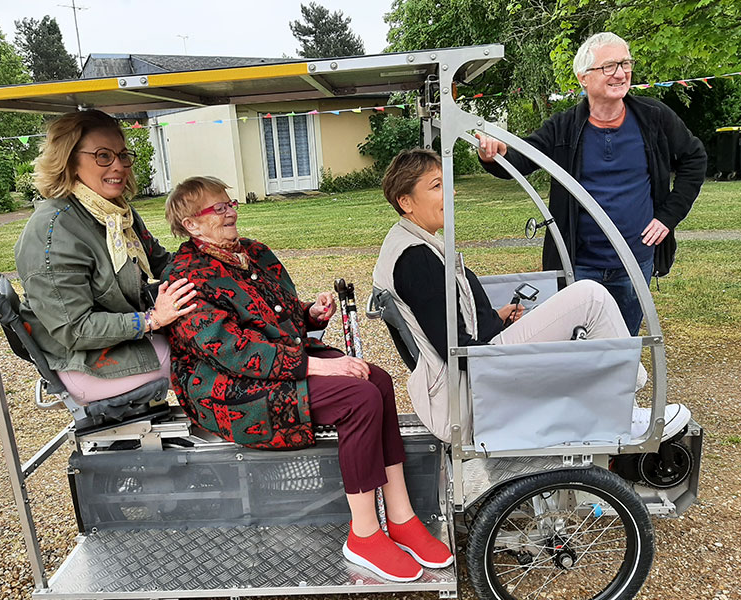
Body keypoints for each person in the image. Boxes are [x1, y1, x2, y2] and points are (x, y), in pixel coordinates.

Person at [162, 175, 453, 583]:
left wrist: (308, 315)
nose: (230, 212)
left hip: (277, 366)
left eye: (231, 203)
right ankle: (365, 534)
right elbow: (232, 350)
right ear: (192, 224)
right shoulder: (187, 277)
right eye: (218, 208)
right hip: (229, 391)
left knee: (379, 381)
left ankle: (402, 517)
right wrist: (316, 365)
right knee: (359, 398)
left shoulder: (254, 253)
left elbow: (274, 314)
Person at [373, 148, 691, 444]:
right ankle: (623, 414)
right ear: (406, 201)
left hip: (476, 365)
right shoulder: (416, 258)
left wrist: (494, 319)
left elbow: (446, 326)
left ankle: (618, 405)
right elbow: (455, 350)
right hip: (475, 382)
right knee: (590, 297)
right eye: (437, 186)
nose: (452, 192)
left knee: (581, 308)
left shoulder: (409, 244)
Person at [477, 32, 707, 335]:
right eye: (610, 66)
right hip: (578, 264)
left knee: (623, 346)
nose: (621, 73)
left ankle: (622, 382)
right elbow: (520, 160)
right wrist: (496, 154)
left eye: (626, 63)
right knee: (577, 348)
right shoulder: (563, 127)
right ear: (583, 77)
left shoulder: (654, 117)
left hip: (635, 261)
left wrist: (668, 216)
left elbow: (695, 158)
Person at [15, 110, 196, 403]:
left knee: (219, 335)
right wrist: (152, 319)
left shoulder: (116, 213)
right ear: (70, 160)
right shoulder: (53, 233)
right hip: (85, 363)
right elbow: (75, 330)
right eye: (103, 156)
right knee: (208, 360)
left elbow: (161, 261)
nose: (119, 166)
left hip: (122, 342)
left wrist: (213, 265)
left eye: (123, 155)